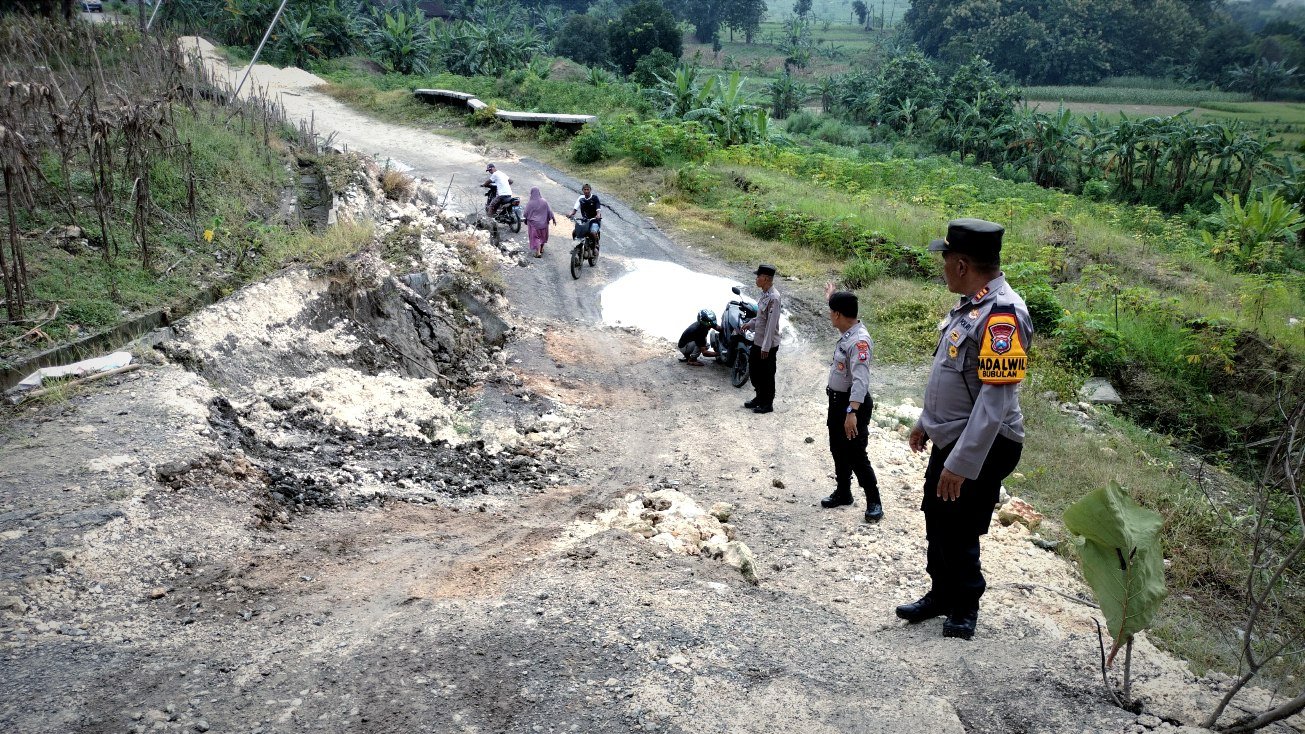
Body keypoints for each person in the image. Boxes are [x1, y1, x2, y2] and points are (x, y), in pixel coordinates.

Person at [896, 218, 1033, 641]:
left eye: (945, 260)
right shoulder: (971, 306)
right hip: (955, 435)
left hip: (985, 442)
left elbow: (995, 402)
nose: (942, 268)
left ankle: (965, 605)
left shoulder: (1003, 316)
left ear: (960, 265)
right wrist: (926, 421)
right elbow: (951, 374)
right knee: (937, 515)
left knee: (960, 523)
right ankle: (941, 593)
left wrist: (961, 463)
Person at [821, 285, 882, 523]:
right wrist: (832, 296)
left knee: (856, 453)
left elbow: (860, 381)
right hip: (837, 402)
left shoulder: (859, 342)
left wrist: (851, 411)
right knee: (837, 448)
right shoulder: (849, 332)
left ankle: (874, 501)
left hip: (851, 406)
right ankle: (843, 492)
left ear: (838, 314)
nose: (829, 316)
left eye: (831, 311)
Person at [740, 264, 781, 414]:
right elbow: (761, 317)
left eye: (758, 276)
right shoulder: (764, 294)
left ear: (766, 278)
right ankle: (759, 397)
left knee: (767, 375)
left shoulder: (774, 297)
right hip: (758, 341)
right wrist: (750, 323)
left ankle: (767, 404)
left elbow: (771, 324)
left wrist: (766, 347)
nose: (756, 279)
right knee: (755, 371)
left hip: (767, 345)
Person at [523, 187, 555, 258]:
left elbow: (525, 213)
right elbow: (549, 211)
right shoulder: (544, 201)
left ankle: (538, 252)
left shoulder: (530, 203)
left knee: (536, 238)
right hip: (544, 224)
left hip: (534, 225)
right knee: (543, 236)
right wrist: (553, 218)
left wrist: (527, 218)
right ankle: (542, 249)